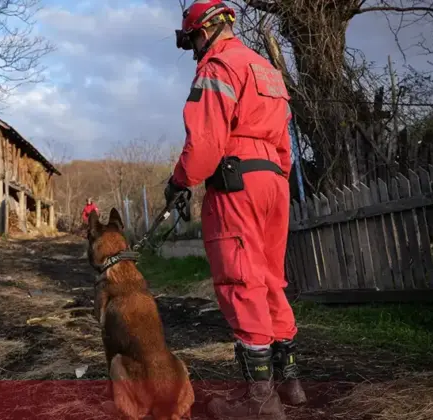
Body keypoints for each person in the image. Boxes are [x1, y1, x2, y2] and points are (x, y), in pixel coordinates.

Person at [164, 1, 306, 418]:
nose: (194, 50)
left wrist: (178, 181)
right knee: (269, 279)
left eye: (192, 41)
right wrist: (276, 179)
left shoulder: (217, 67)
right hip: (275, 182)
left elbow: (205, 146)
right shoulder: (266, 69)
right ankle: (290, 383)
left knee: (240, 279)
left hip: (236, 182)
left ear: (203, 31)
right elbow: (285, 146)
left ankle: (260, 401)